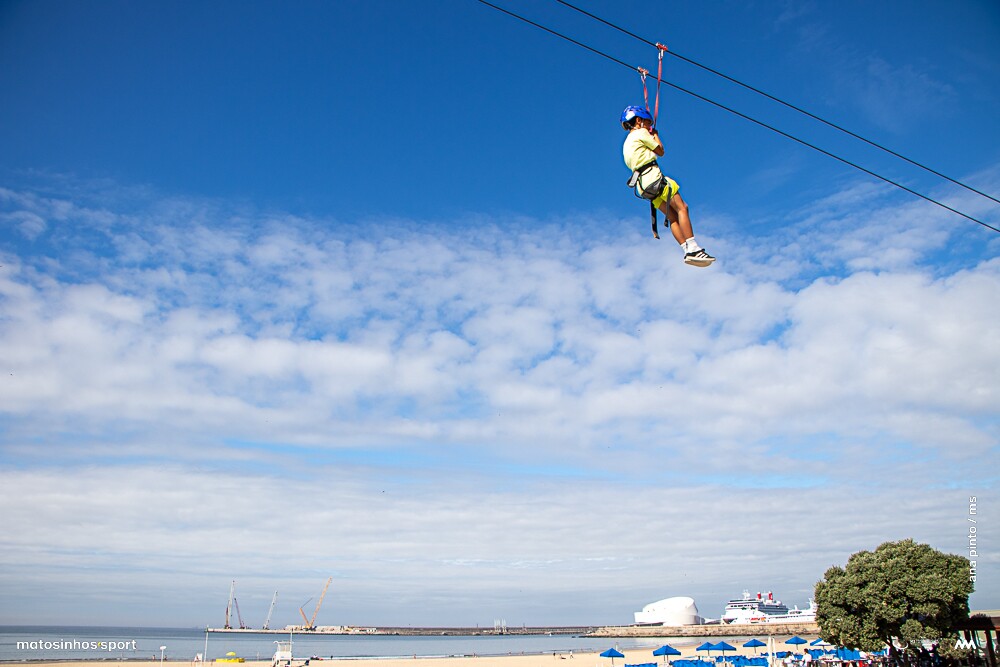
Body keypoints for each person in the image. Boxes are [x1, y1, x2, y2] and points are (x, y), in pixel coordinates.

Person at [621, 105, 715, 267]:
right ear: (638, 120)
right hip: (654, 178)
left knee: (673, 217)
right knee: (682, 208)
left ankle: (686, 250)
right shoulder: (641, 133)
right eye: (647, 123)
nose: (648, 126)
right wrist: (655, 135)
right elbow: (661, 151)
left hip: (643, 187)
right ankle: (694, 248)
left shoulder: (626, 143)